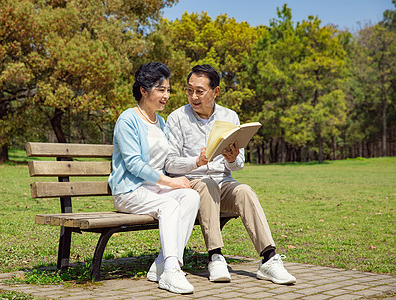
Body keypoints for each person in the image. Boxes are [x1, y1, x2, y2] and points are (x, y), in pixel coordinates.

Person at [164, 64, 296, 285]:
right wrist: (196, 161)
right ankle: (215, 256)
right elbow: (169, 164)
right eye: (189, 90)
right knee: (207, 184)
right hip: (193, 184)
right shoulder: (177, 118)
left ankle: (269, 258)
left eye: (199, 91)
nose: (193, 96)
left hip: (223, 183)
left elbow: (239, 165)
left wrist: (232, 158)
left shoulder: (229, 116)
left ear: (215, 92)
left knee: (244, 190)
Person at [108, 62, 200, 294]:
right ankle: (171, 270)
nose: (166, 95)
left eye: (168, 90)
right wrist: (170, 182)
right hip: (129, 192)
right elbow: (134, 164)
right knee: (169, 204)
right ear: (143, 90)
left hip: (154, 190)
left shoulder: (161, 123)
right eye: (161, 90)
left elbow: (168, 161)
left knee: (190, 197)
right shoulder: (128, 120)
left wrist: (197, 162)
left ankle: (162, 263)